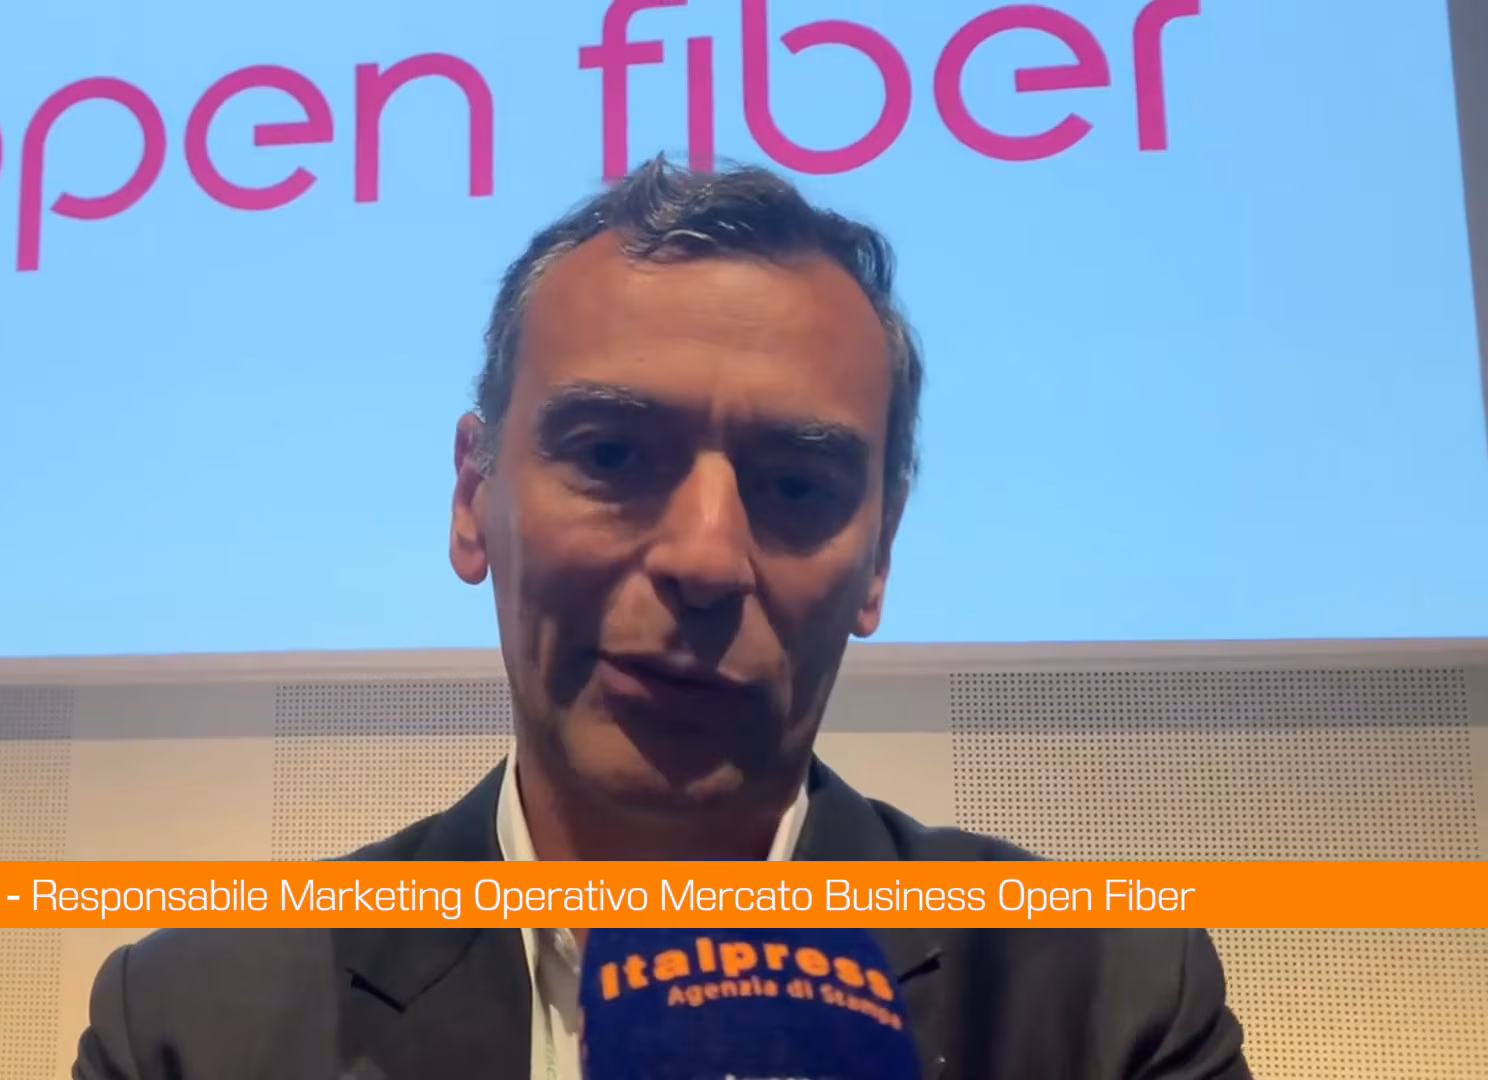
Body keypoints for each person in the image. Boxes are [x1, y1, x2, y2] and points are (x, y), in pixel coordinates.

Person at [71, 157, 1252, 1080]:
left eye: (796, 486)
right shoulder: (191, 1024)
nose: (705, 558)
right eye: (613, 456)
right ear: (474, 499)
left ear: (879, 555)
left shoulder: (1108, 994)